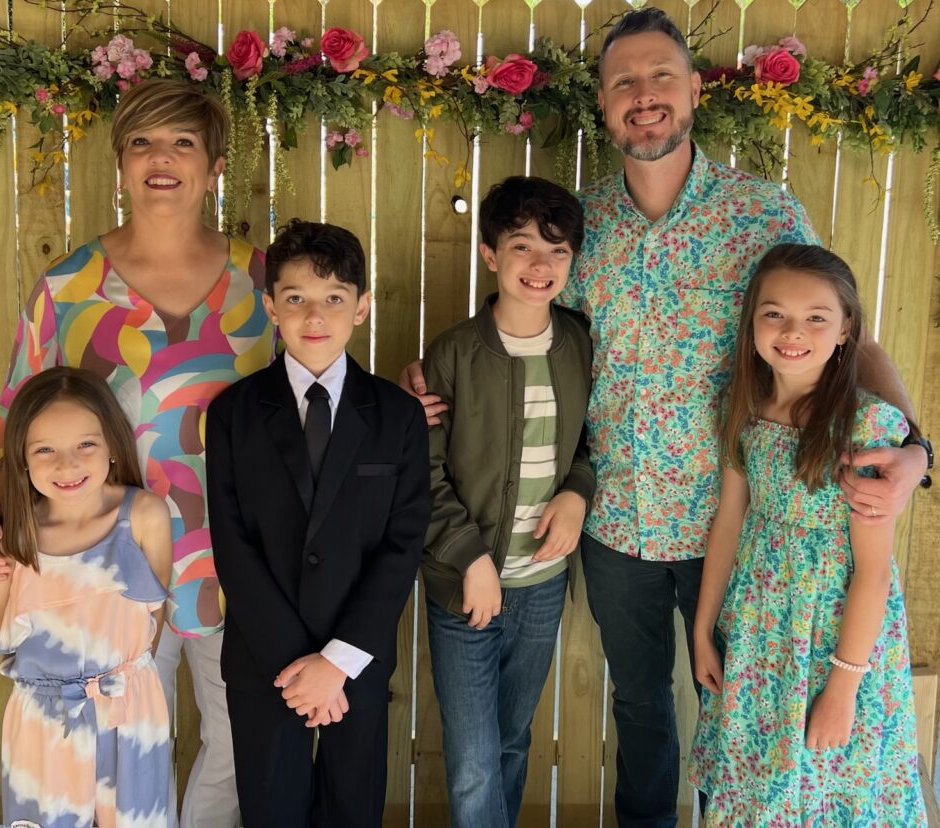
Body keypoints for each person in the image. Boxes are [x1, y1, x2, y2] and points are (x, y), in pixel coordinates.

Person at [401, 9, 930, 824]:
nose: (643, 96)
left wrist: (916, 447)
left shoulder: (762, 215)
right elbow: (520, 339)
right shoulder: (580, 229)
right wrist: (432, 382)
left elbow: (848, 338)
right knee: (643, 709)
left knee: (739, 710)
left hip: (742, 521)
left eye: (660, 78)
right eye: (623, 82)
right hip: (615, 526)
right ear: (606, 105)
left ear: (692, 92)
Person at [0, 79, 273, 828]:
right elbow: (14, 424)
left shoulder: (262, 282)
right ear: (120, 162)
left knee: (242, 743)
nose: (161, 159)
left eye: (183, 143)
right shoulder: (69, 287)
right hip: (109, 563)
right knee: (120, 744)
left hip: (240, 555)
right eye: (142, 142)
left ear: (215, 165)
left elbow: (320, 387)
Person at [687, 244, 927, 825]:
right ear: (751, 324)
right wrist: (701, 629)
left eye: (817, 318)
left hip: (835, 640)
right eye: (774, 314)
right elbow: (729, 520)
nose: (793, 332)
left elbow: (872, 572)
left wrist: (843, 689)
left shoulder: (868, 425)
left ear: (846, 330)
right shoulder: (742, 408)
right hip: (757, 630)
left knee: (828, 786)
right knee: (757, 787)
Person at [206, 219, 430, 827]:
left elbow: (401, 544)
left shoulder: (397, 416)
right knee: (271, 809)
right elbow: (233, 544)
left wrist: (337, 662)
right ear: (271, 306)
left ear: (361, 307)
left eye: (334, 299)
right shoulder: (234, 413)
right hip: (264, 660)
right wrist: (296, 668)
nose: (315, 316)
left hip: (356, 657)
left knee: (352, 809)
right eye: (296, 298)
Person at [420, 176, 594, 828]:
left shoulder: (579, 344)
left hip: (542, 585)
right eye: (523, 247)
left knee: (513, 739)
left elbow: (590, 445)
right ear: (491, 254)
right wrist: (470, 558)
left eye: (557, 251)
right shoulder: (454, 354)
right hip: (465, 586)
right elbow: (424, 474)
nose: (541, 266)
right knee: (471, 761)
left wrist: (578, 492)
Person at [0, 366, 172, 828]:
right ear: (22, 458)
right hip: (42, 728)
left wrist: (118, 683)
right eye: (45, 450)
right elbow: (2, 638)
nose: (67, 465)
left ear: (111, 446)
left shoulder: (144, 516)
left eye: (86, 444)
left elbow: (151, 627)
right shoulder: (9, 537)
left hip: (129, 713)